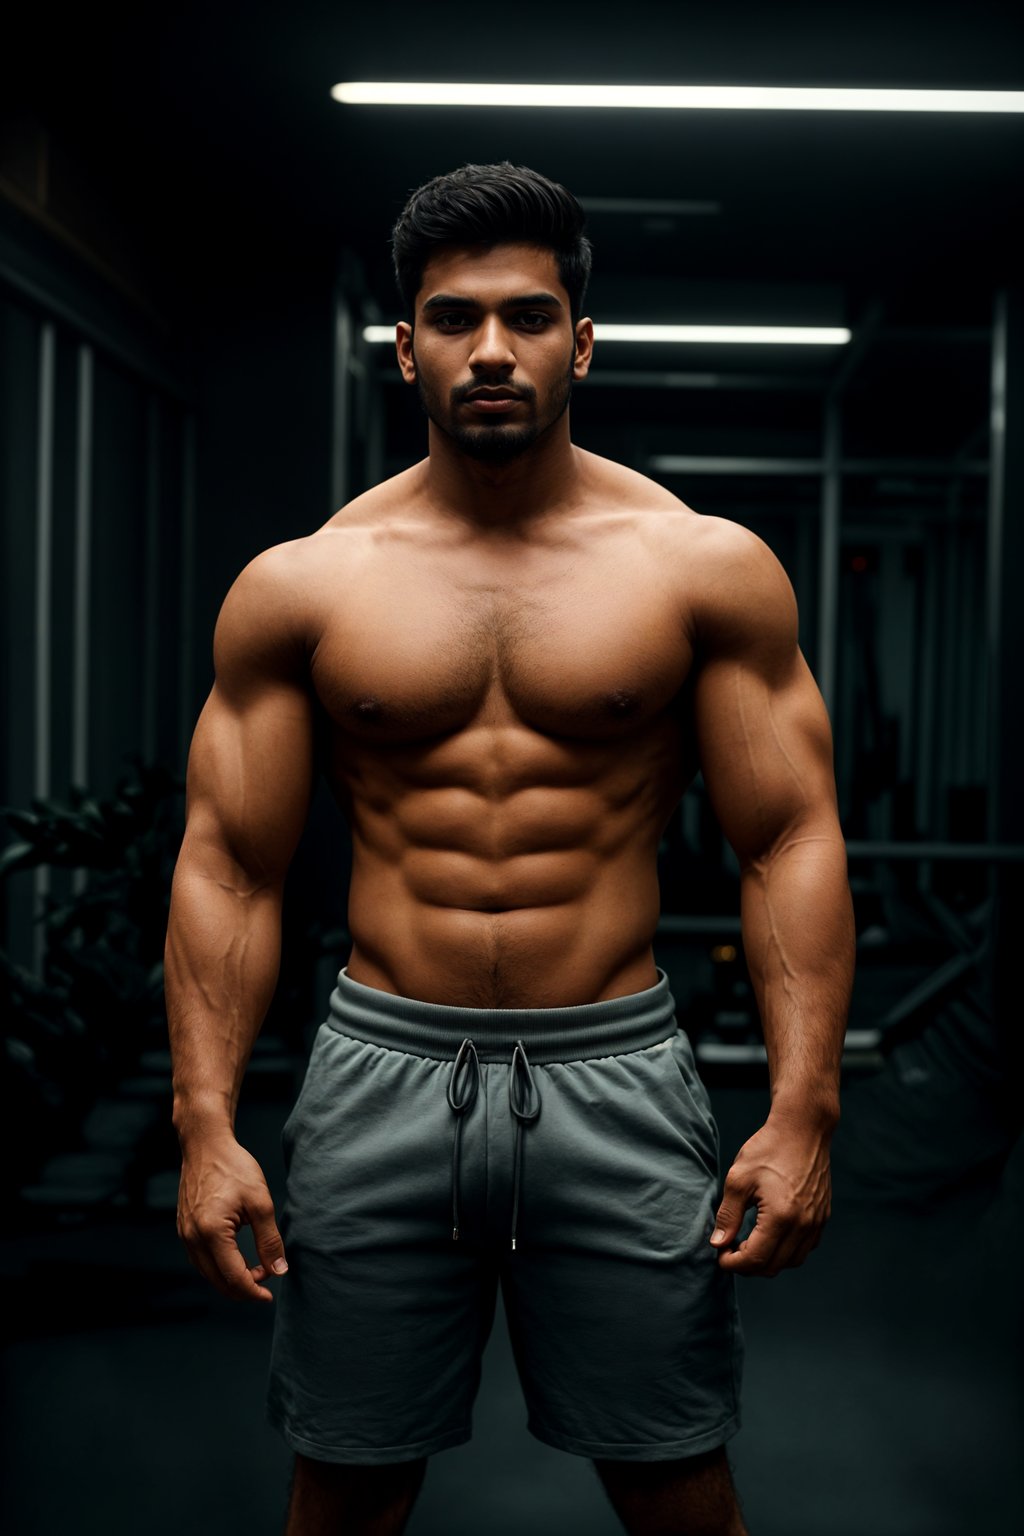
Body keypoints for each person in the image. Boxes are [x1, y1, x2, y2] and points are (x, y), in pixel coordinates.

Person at [166, 162, 855, 1536]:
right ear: (404, 343)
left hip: (615, 1070)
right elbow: (228, 864)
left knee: (675, 1479)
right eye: (456, 316)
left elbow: (787, 834)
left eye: (530, 316)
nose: (492, 348)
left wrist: (803, 1111)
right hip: (380, 1074)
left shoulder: (698, 567)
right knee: (345, 1481)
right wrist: (203, 1122)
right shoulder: (305, 584)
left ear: (581, 342)